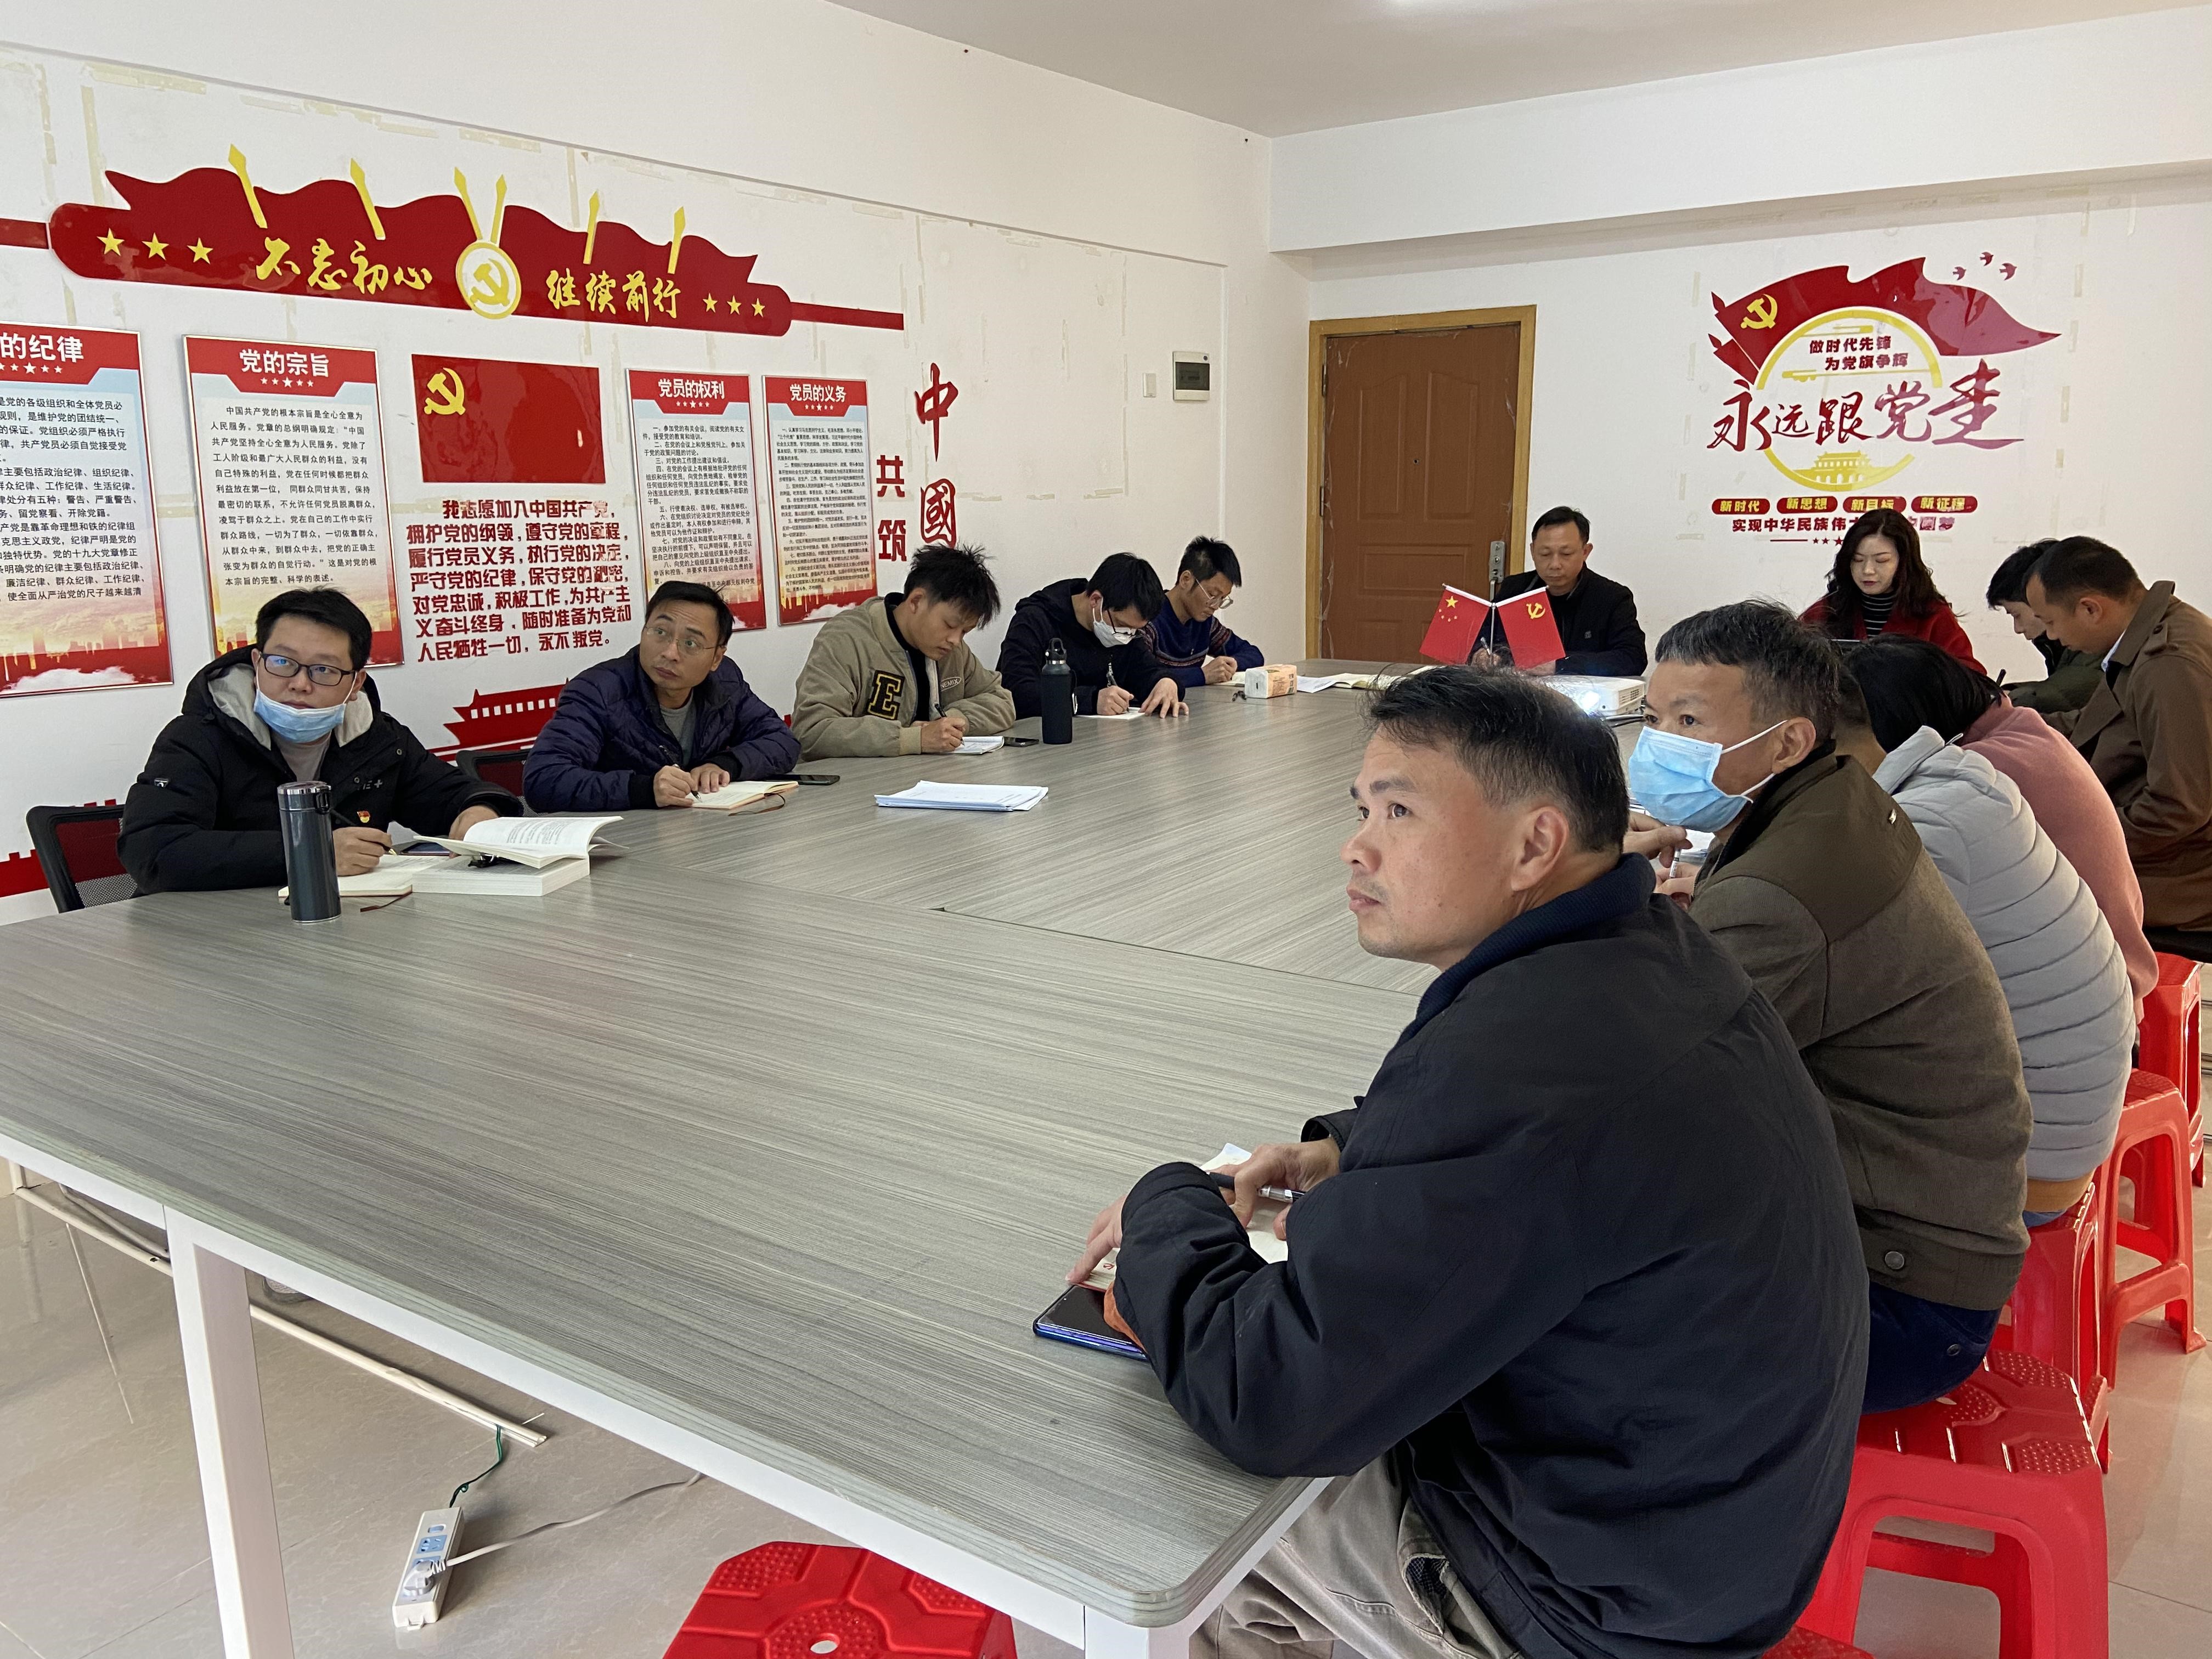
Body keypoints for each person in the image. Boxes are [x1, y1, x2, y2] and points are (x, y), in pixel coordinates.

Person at [1074, 668, 1866, 1659]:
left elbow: (1268, 1395)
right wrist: (1350, 1145)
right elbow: (1537, 1150)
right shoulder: (1648, 948)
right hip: (1704, 1531)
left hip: (1588, 1603)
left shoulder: (1520, 1061)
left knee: (1157, 1492)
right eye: (1361, 808)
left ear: (1533, 844)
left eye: (1399, 810)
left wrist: (1166, 1203)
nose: (1356, 845)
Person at [1632, 601, 2030, 1412]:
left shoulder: (1779, 895)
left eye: (1690, 721)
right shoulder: (1833, 796)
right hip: (1919, 1229)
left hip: (1899, 1296)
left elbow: (1639, 1088)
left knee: (1551, 1308)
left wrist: (1572, 902)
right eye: (1653, 717)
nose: (1660, 743)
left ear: (1788, 742)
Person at [1831, 670, 2131, 1226]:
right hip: (2066, 1114)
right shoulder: (1968, 778)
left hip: (2028, 1163)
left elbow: (1838, 987)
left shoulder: (1925, 825)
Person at [119, 588, 518, 891]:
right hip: (213, 935)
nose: (300, 684)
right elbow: (153, 850)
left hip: (342, 928)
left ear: (355, 684)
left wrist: (479, 812)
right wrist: (311, 853)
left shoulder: (377, 738)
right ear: (257, 663)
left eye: (324, 670)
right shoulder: (198, 737)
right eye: (282, 663)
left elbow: (451, 794)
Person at [1844, 633, 2157, 1009]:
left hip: (2084, 997)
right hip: (2107, 976)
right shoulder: (2021, 729)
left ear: (1896, 726)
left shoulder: (1976, 777)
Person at [2027, 537, 2212, 935]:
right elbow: (2091, 723)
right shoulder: (2143, 641)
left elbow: (2180, 807)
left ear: (2090, 609)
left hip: (2186, 870)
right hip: (2160, 844)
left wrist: (2087, 843)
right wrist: (2005, 723)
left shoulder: (2168, 664)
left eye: (2050, 622)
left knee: (2026, 893)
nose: (2051, 637)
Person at [522, 581, 797, 812]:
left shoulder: (725, 681)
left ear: (716, 658)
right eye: (660, 632)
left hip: (703, 831)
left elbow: (782, 741)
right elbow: (543, 780)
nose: (670, 653)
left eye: (690, 643)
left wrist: (726, 764)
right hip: (626, 840)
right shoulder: (599, 690)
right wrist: (643, 789)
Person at [791, 543, 1016, 757]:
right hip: (862, 781)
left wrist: (952, 722)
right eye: (950, 625)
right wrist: (912, 739)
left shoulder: (951, 649)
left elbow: (1001, 701)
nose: (956, 640)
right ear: (916, 601)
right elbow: (812, 731)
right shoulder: (846, 640)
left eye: (965, 631)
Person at [996, 551, 1183, 719]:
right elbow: (1017, 693)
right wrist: (1089, 701)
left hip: (1103, 737)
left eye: (1135, 631)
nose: (1126, 636)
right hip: (1042, 737)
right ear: (1096, 600)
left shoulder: (1125, 630)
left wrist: (1166, 682)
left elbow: (1147, 670)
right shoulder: (1035, 620)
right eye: (1122, 626)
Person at [1798, 508, 1983, 670]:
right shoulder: (1826, 610)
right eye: (1858, 560)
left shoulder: (1932, 614)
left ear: (1904, 562)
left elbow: (1971, 676)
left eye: (1882, 561)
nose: (1867, 570)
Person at [1477, 504, 1646, 676]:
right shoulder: (1515, 590)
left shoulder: (1612, 597)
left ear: (1585, 552)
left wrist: (1560, 665)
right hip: (1520, 688)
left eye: (1566, 554)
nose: (1555, 564)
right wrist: (1479, 654)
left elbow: (1633, 658)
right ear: (1533, 551)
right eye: (1545, 554)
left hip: (1585, 690)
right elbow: (1481, 637)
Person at [1984, 541, 2099, 714]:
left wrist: (2007, 698)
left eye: (2016, 615)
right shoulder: (2059, 647)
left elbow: (2071, 690)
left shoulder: (2095, 645)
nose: (2017, 629)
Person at [1139, 537, 1264, 689]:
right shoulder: (1146, 620)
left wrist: (1231, 664)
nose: (1216, 606)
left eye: (1223, 599)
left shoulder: (1206, 624)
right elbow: (1143, 677)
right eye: (1213, 595)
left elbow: (1253, 654)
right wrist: (1203, 675)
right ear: (1186, 580)